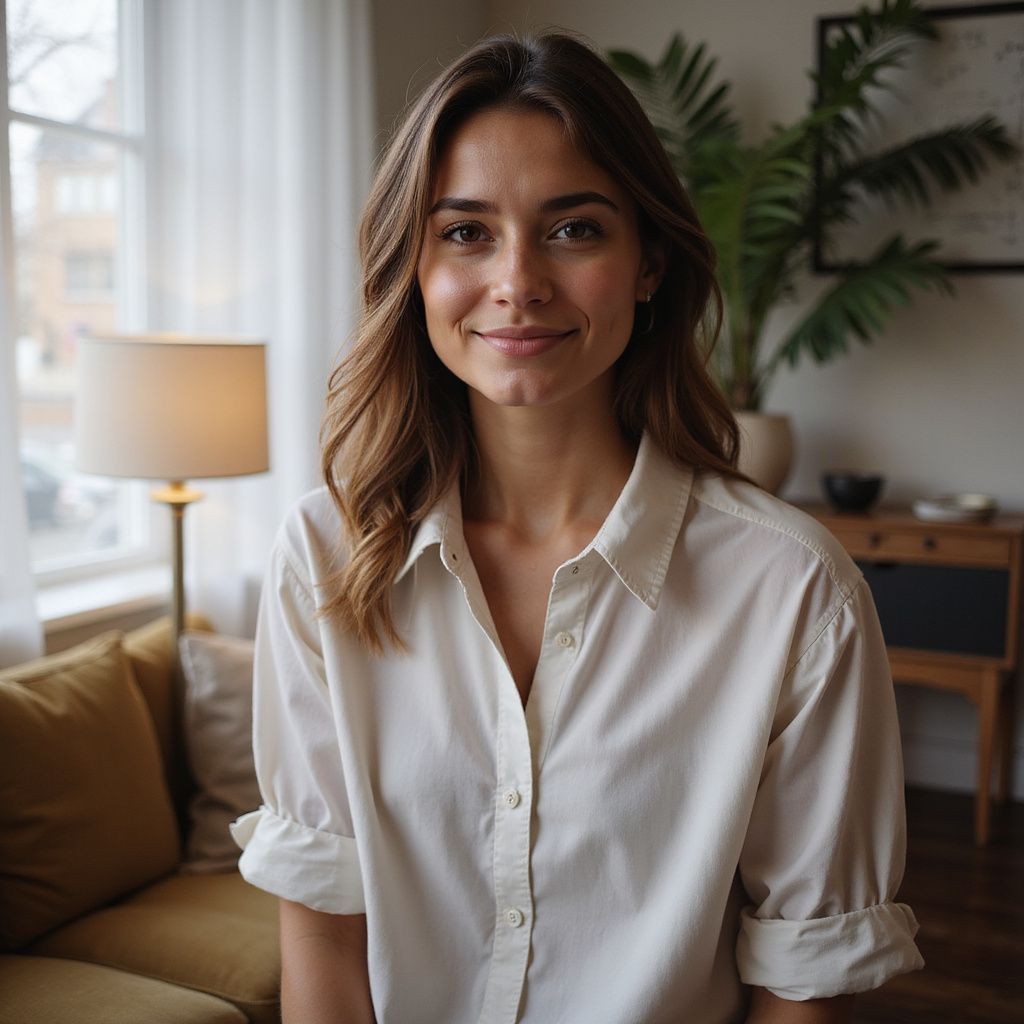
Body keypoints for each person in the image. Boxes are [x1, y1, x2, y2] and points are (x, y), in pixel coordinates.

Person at [230, 31, 923, 1024]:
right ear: (413, 268)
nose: (518, 281)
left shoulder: (792, 589)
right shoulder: (324, 555)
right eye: (464, 231)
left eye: (573, 229)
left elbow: (803, 981)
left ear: (646, 263)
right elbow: (325, 938)